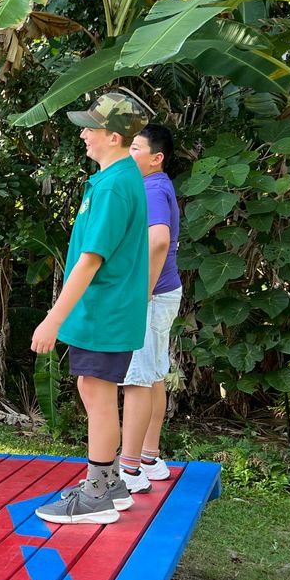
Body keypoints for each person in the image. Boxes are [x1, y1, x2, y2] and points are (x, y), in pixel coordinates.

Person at [32, 93, 150, 525]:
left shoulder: (115, 185)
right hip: (104, 310)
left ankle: (95, 496)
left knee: (98, 395)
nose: (82, 134)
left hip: (105, 311)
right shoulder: (112, 178)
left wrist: (53, 318)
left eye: (90, 127)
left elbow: (90, 260)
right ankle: (112, 483)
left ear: (114, 136)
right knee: (91, 389)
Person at [119, 124, 182, 488]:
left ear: (156, 158)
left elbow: (159, 240)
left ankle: (129, 470)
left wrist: (143, 290)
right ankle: (149, 458)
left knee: (137, 379)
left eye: (136, 149)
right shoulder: (156, 185)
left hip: (154, 296)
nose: (129, 155)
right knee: (154, 374)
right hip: (164, 293)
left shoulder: (152, 189)